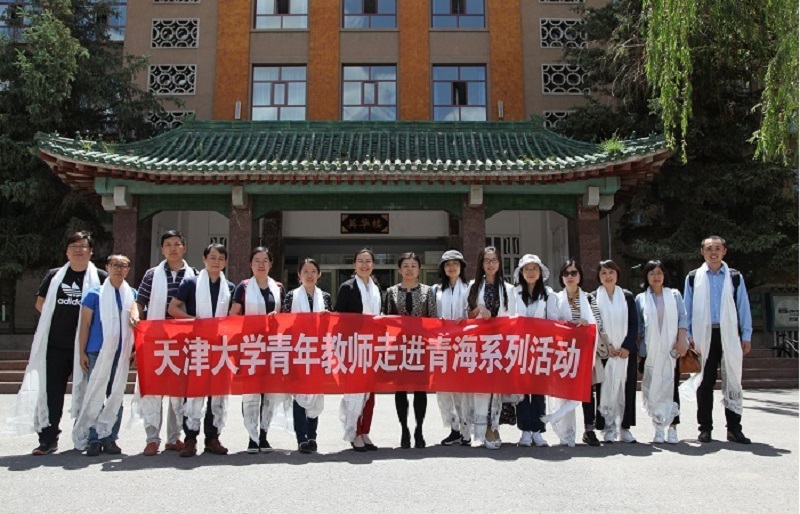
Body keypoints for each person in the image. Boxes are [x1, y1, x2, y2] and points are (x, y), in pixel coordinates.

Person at [7, 231, 107, 455]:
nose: (78, 250)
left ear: (91, 251)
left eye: (83, 246)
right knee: (52, 393)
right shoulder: (54, 275)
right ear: (67, 251)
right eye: (74, 246)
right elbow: (40, 302)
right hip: (56, 345)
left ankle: (86, 436)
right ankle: (48, 439)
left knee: (89, 392)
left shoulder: (100, 277)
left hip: (87, 347)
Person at [681, 236, 753, 444]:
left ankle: (734, 428)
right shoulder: (694, 277)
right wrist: (689, 335)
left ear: (724, 251)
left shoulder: (734, 277)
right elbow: (687, 308)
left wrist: (746, 335)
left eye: (717, 248)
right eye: (709, 249)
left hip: (729, 334)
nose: (713, 252)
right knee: (705, 381)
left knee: (733, 380)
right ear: (702, 252)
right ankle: (705, 428)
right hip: (703, 335)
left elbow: (743, 307)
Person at [168, 243, 235, 457]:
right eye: (212, 257)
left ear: (225, 262)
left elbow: (234, 317)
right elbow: (173, 308)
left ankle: (212, 438)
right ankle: (190, 438)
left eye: (220, 258)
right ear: (204, 259)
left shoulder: (229, 287)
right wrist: (193, 321)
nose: (216, 262)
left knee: (217, 393)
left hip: (220, 346)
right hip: (196, 345)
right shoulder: (191, 283)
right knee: (194, 391)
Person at [134, 229, 195, 456]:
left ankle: (173, 437)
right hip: (156, 339)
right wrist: (135, 316)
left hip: (182, 340)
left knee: (179, 392)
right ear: (162, 249)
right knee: (152, 389)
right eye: (168, 244)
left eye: (177, 244)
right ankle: (152, 438)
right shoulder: (152, 275)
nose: (173, 248)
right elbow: (139, 301)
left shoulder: (194, 276)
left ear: (184, 248)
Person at [72, 255, 138, 456]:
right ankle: (93, 439)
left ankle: (110, 438)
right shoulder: (95, 294)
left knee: (115, 395)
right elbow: (84, 325)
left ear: (128, 270)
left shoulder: (131, 294)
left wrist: (135, 348)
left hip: (122, 351)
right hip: (97, 351)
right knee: (95, 394)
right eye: (115, 265)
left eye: (124, 266)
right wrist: (81, 352)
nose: (119, 269)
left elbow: (137, 324)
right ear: (107, 267)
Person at [229, 246, 289, 454]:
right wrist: (254, 322)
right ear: (250, 264)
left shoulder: (278, 287)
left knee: (269, 392)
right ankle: (251, 436)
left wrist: (276, 319)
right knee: (251, 392)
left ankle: (264, 435)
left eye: (265, 260)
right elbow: (233, 315)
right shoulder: (244, 287)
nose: (261, 265)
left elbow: (286, 317)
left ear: (271, 264)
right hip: (250, 346)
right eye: (257, 260)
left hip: (273, 346)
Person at [466, 246, 516, 449]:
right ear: (481, 263)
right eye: (486, 260)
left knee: (497, 388)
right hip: (479, 344)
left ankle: (494, 426)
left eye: (494, 260)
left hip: (500, 344)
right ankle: (482, 428)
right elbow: (468, 315)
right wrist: (478, 309)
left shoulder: (509, 289)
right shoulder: (473, 286)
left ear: (499, 263)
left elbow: (513, 318)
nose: (490, 264)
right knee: (481, 387)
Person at [385, 252, 436, 449]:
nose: (409, 269)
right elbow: (387, 320)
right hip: (399, 347)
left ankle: (419, 429)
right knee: (400, 390)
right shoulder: (391, 292)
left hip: (420, 347)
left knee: (420, 390)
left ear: (419, 269)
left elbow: (432, 319)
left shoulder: (427, 291)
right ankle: (404, 429)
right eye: (405, 266)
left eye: (413, 265)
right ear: (399, 269)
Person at [512, 254, 564, 448]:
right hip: (520, 349)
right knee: (522, 392)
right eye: (527, 269)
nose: (531, 272)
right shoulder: (514, 293)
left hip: (541, 348)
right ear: (521, 273)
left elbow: (553, 319)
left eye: (534, 268)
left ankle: (538, 430)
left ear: (540, 272)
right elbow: (509, 317)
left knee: (539, 391)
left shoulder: (549, 294)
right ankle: (525, 430)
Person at [282, 258, 332, 454]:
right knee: (299, 395)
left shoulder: (325, 297)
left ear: (319, 274)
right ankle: (301, 438)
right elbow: (285, 324)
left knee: (315, 394)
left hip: (318, 352)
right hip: (298, 351)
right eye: (305, 271)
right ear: (299, 275)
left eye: (313, 271)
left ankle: (312, 436)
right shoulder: (291, 296)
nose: (309, 275)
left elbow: (331, 326)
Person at [554, 259, 605, 447]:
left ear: (580, 276)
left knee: (587, 392)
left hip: (585, 352)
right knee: (565, 392)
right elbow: (552, 322)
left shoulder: (589, 298)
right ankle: (566, 431)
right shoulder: (555, 299)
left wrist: (587, 325)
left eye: (574, 273)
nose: (570, 277)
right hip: (564, 353)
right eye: (566, 273)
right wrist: (570, 326)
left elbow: (598, 323)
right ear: (561, 277)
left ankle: (589, 429)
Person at [635, 260, 688, 444]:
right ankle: (658, 427)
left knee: (671, 387)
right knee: (654, 388)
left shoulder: (674, 295)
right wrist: (639, 350)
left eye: (659, 273)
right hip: (651, 351)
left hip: (671, 350)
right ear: (646, 277)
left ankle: (672, 427)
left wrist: (681, 341)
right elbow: (640, 327)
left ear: (664, 275)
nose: (656, 276)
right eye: (652, 273)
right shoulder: (641, 299)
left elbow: (683, 318)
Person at [335, 248, 382, 452]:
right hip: (354, 347)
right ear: (354, 264)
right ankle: (353, 431)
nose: (364, 265)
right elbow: (339, 318)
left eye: (368, 261)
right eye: (360, 261)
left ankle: (364, 431)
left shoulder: (376, 288)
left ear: (373, 265)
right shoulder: (347, 287)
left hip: (373, 347)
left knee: (370, 394)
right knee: (355, 392)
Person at [593, 260, 639, 444]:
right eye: (603, 273)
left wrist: (627, 346)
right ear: (599, 277)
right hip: (604, 352)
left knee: (626, 389)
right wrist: (606, 347)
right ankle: (608, 427)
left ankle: (625, 428)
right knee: (605, 388)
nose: (608, 276)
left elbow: (634, 323)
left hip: (625, 352)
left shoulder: (627, 296)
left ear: (617, 274)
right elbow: (594, 326)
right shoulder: (593, 297)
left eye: (611, 272)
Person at [431, 250, 471, 447]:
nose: (452, 267)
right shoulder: (436, 290)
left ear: (461, 266)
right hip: (442, 345)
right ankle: (454, 428)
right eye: (448, 264)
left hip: (464, 345)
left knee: (463, 389)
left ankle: (466, 429)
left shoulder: (470, 288)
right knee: (444, 389)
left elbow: (474, 313)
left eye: (455, 263)